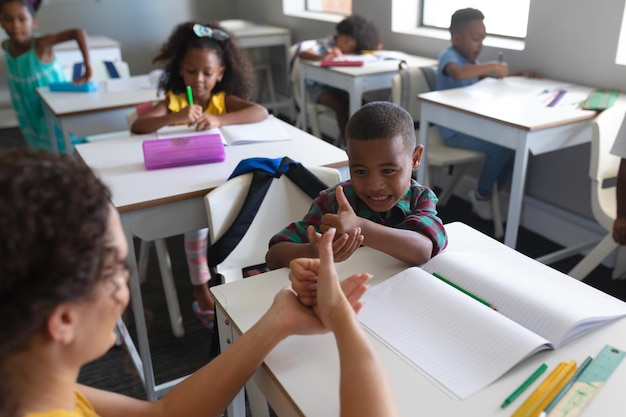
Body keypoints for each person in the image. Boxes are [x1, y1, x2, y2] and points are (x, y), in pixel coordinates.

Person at [0, 148, 399, 417]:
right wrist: (341, 318)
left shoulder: (31, 385)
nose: (127, 285)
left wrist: (280, 319)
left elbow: (164, 414)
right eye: (114, 273)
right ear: (63, 320)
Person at [131, 21, 268, 329]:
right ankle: (199, 286)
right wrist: (175, 116)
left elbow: (259, 112)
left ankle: (245, 267)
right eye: (192, 71)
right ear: (181, 70)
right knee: (197, 226)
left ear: (220, 73)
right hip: (186, 185)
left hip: (222, 178)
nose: (200, 79)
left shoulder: (222, 100)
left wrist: (219, 119)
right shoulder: (175, 100)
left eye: (208, 73)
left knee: (247, 207)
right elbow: (138, 127)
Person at [265, 101, 447, 270]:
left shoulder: (420, 198)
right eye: (360, 171)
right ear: (349, 158)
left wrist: (360, 227)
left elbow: (423, 249)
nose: (374, 185)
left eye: (388, 171)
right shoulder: (332, 203)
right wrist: (315, 251)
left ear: (415, 158)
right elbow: (274, 256)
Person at [435, 8, 523, 221]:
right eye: (476, 39)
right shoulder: (450, 57)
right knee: (499, 150)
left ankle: (488, 192)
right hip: (452, 131)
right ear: (456, 38)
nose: (480, 45)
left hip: (471, 127)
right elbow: (457, 73)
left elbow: (490, 80)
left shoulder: (472, 63)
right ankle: (483, 196)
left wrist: (522, 76)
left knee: (513, 149)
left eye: (483, 39)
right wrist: (492, 65)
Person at [0, 0, 91, 152]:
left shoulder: (41, 44)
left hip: (53, 106)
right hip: (27, 108)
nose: (15, 25)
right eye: (8, 19)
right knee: (38, 143)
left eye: (22, 19)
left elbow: (78, 32)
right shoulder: (6, 46)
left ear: (34, 22)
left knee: (63, 143)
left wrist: (87, 67)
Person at [297, 14, 381, 137]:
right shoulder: (327, 44)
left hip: (338, 86)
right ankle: (349, 143)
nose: (345, 47)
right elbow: (303, 54)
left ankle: (366, 138)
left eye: (351, 46)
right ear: (340, 33)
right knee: (340, 106)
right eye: (345, 41)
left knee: (361, 102)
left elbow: (377, 47)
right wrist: (324, 57)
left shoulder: (351, 51)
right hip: (317, 88)